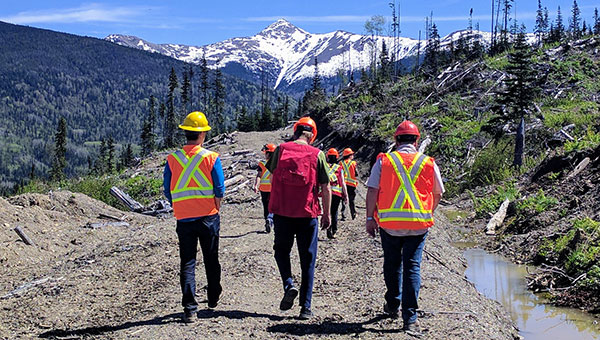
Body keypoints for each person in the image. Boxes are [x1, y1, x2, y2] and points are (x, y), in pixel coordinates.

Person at [365, 120, 444, 335]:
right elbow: (438, 193)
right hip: (418, 226)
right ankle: (410, 318)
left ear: (396, 140)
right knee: (412, 267)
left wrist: (370, 218)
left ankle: (392, 304)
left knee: (392, 264)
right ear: (417, 140)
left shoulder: (384, 161)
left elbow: (372, 190)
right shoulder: (428, 162)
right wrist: (428, 212)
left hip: (389, 225)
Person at [163, 111, 225, 323]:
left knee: (188, 262)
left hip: (184, 219)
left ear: (186, 133)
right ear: (203, 134)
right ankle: (213, 295)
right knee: (211, 258)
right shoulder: (212, 158)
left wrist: (179, 206)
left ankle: (190, 308)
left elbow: (167, 190)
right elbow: (219, 188)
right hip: (208, 216)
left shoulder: (172, 159)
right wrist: (215, 207)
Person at [267, 116, 331, 320]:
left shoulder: (280, 149)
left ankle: (288, 284)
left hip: (283, 212)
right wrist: (327, 213)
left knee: (281, 251)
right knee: (308, 260)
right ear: (312, 135)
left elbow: (271, 174)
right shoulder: (318, 154)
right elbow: (326, 186)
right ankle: (306, 308)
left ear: (295, 131)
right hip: (307, 213)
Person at [325, 148, 348, 239]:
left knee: (327, 211)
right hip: (336, 194)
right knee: (334, 212)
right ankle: (334, 231)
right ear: (337, 157)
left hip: (326, 193)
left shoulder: (325, 167)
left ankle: (328, 229)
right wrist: (345, 195)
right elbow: (342, 182)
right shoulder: (339, 168)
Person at [254, 143, 276, 233]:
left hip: (263, 189)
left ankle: (267, 219)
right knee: (274, 206)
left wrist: (256, 185)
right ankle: (270, 219)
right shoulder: (276, 164)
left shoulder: (261, 164)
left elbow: (259, 176)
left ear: (267, 153)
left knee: (265, 206)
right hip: (273, 189)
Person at [340, 148, 358, 220]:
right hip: (351, 185)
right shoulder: (353, 163)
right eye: (352, 154)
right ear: (349, 155)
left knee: (343, 199)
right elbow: (356, 173)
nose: (353, 155)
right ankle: (353, 214)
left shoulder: (341, 163)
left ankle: (343, 215)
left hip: (343, 184)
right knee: (351, 200)